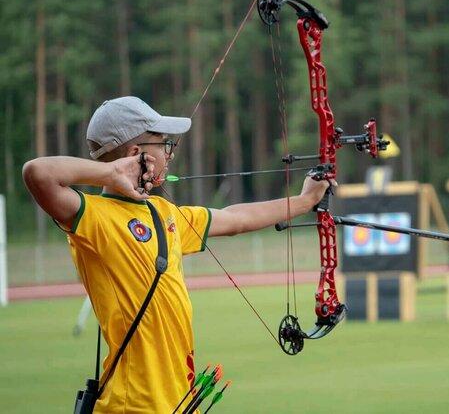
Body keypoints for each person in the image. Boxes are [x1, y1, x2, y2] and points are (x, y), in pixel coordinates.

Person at [22, 96, 332, 413]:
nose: (170, 152)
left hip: (178, 403)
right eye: (162, 143)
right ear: (135, 155)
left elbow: (235, 219)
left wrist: (305, 201)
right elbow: (38, 173)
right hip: (135, 405)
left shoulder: (164, 213)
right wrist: (111, 173)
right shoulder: (95, 217)